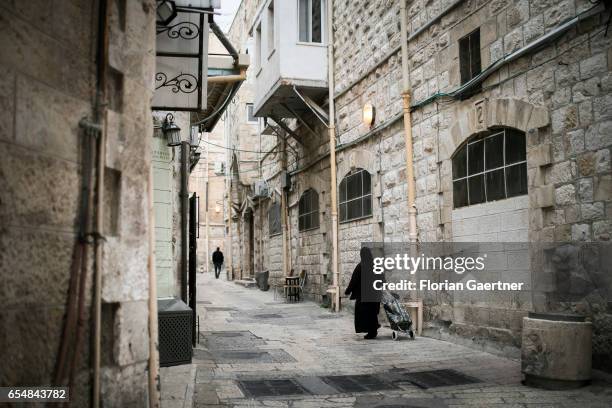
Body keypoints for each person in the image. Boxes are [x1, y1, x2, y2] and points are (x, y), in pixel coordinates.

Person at [345, 247, 381, 339]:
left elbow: (354, 280)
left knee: (364, 314)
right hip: (374, 294)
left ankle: (370, 332)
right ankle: (373, 331)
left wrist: (348, 291)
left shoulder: (361, 266)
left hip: (363, 296)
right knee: (372, 313)